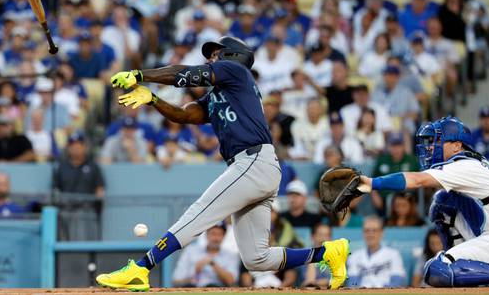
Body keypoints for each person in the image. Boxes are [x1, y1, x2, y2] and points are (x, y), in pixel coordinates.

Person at [96, 36, 349, 291]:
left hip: (252, 161)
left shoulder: (235, 71)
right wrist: (153, 99)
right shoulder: (223, 91)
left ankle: (141, 268)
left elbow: (186, 74)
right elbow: (186, 114)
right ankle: (327, 253)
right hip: (257, 166)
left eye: (215, 53)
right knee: (257, 258)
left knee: (199, 213)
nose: (210, 58)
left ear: (233, 54)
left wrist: (139, 75)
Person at [354, 116, 489, 287]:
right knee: (442, 203)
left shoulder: (465, 165)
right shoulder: (470, 163)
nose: (431, 146)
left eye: (439, 141)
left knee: (438, 269)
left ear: (457, 146)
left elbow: (417, 180)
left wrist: (372, 183)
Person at [172, 223, 240, 287]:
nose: (216, 238)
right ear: (206, 234)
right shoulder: (191, 251)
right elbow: (176, 281)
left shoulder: (230, 255)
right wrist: (195, 271)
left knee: (213, 286)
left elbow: (231, 282)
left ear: (224, 236)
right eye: (213, 234)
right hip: (194, 291)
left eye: (220, 234)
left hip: (217, 292)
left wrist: (213, 264)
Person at [347, 216, 407, 287]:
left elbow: (397, 282)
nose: (371, 234)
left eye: (375, 230)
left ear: (382, 233)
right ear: (363, 233)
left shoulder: (393, 254)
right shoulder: (354, 256)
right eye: (367, 230)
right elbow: (353, 283)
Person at [54, 131, 105, 197]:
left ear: (85, 147)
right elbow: (55, 191)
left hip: (88, 206)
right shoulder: (61, 167)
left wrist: (98, 204)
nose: (76, 148)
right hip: (66, 205)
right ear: (68, 148)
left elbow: (99, 190)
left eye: (79, 144)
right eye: (73, 145)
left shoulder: (93, 167)